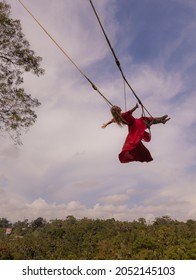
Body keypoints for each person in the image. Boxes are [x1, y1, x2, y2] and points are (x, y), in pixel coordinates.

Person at [101, 104, 170, 163]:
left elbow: (111, 120)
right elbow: (130, 111)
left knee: (147, 119)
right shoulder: (123, 115)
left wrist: (106, 124)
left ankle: (162, 120)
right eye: (117, 107)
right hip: (135, 124)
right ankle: (161, 120)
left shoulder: (117, 118)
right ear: (117, 110)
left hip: (133, 126)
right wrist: (136, 107)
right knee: (147, 120)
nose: (119, 107)